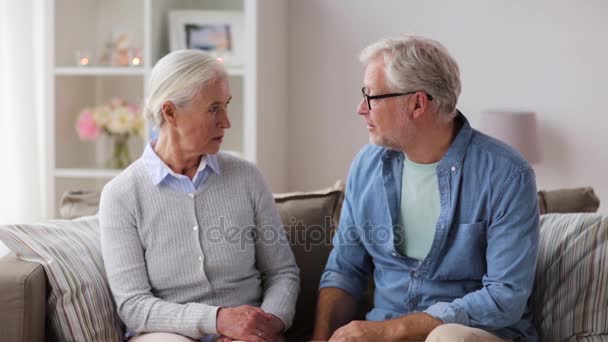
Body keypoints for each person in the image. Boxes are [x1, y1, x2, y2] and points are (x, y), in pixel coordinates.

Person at [312, 35, 540, 342]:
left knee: (445, 338)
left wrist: (393, 330)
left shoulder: (507, 174)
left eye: (371, 97)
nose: (360, 109)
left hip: (471, 335)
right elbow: (344, 270)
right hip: (382, 333)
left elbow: (504, 297)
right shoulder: (366, 166)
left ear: (417, 103)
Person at [99, 49, 299, 342]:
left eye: (226, 106)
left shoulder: (246, 178)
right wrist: (218, 320)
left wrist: (261, 327)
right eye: (213, 108)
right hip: (167, 334)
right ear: (170, 112)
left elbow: (283, 273)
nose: (226, 122)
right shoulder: (122, 195)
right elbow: (134, 305)